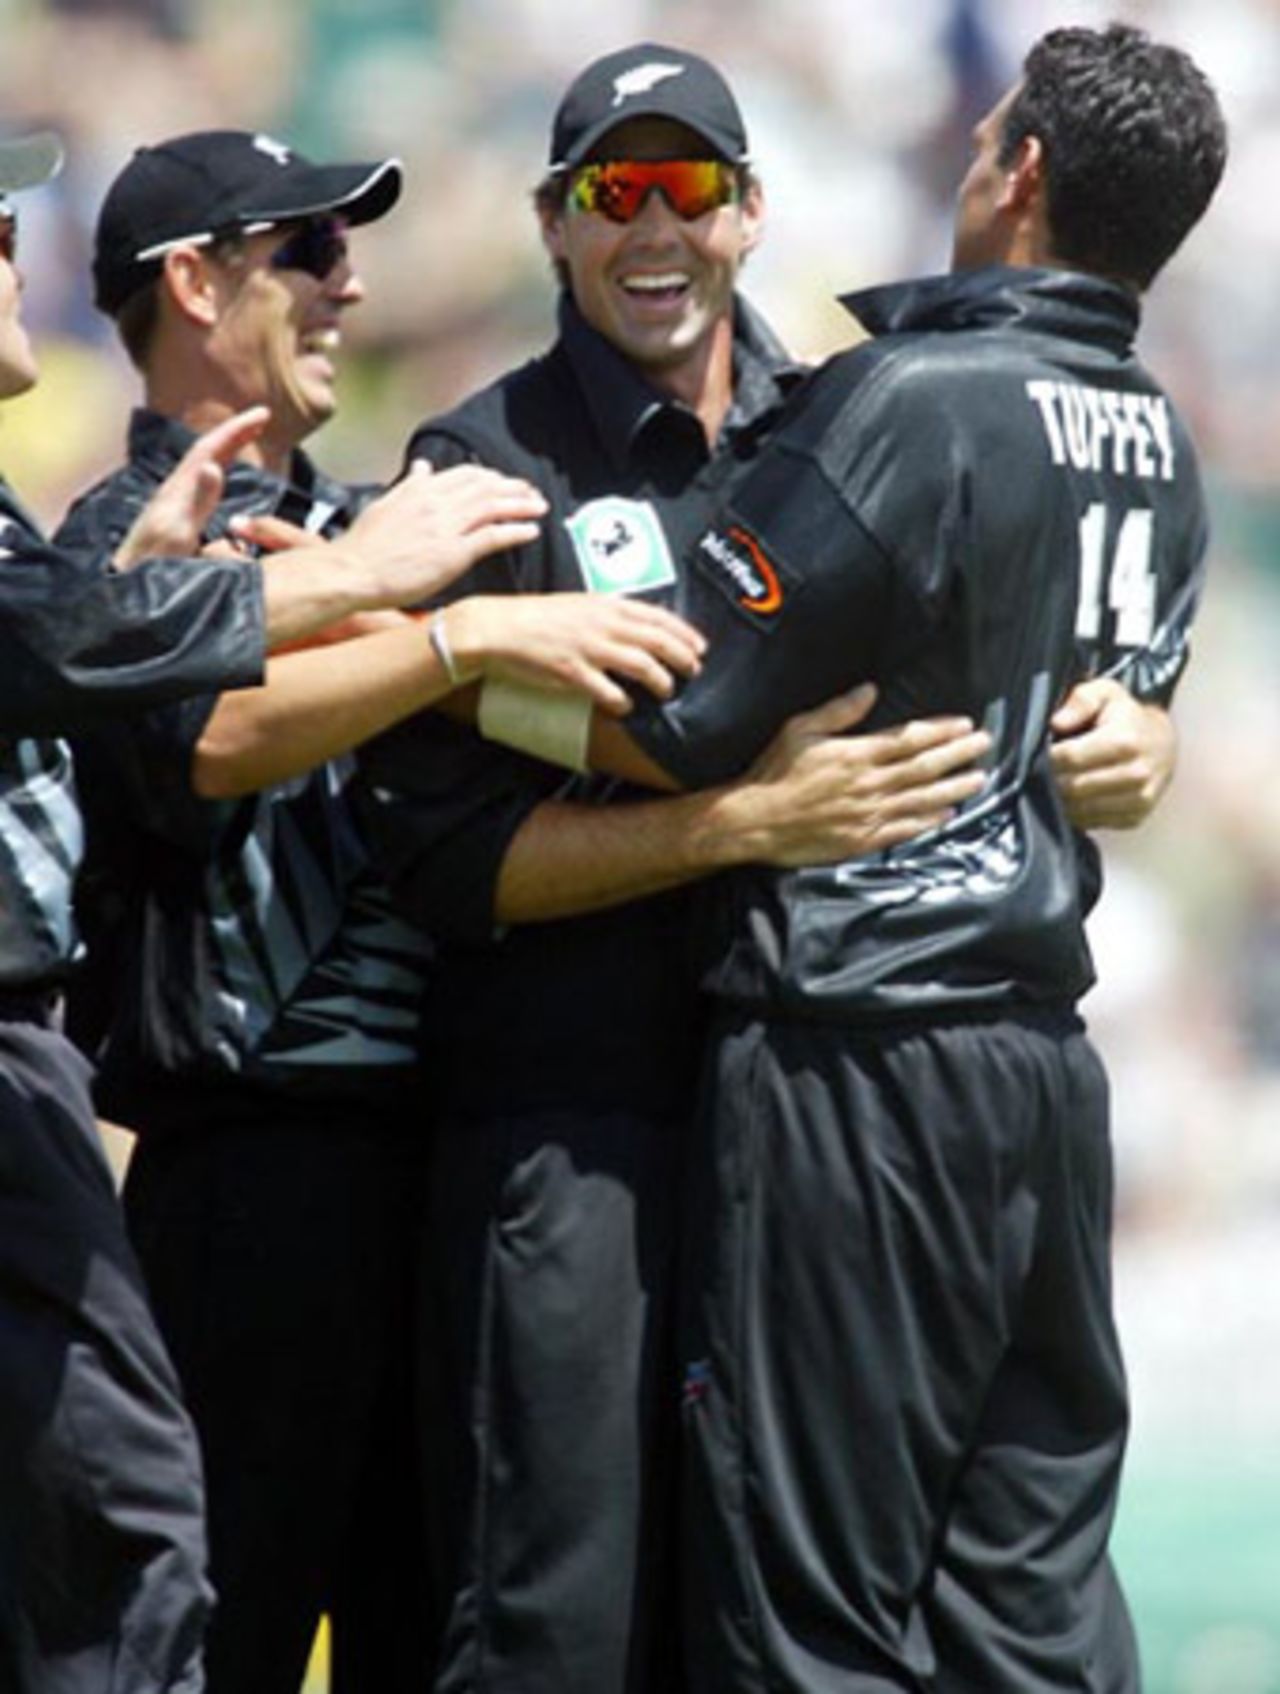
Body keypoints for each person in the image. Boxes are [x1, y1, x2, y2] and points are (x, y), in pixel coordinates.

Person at [357, 39, 1181, 1694]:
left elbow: (1059, 651)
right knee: (562, 1629)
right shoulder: (476, 467)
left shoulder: (854, 417)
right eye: (615, 190)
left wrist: (1143, 738)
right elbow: (445, 866)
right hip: (578, 1139)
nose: (654, 227)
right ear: (552, 223)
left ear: (750, 215)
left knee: (835, 1621)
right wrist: (729, 826)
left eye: (692, 187)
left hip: (825, 1118)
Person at [51, 126, 711, 1694]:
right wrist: (450, 632)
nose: (350, 287)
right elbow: (203, 748)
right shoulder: (108, 552)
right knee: (223, 1635)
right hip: (247, 1185)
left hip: (444, 1175)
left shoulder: (391, 519)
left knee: (440, 1644)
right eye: (311, 254)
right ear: (194, 285)